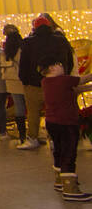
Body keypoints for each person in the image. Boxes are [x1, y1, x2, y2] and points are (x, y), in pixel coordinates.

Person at [18, 14, 74, 150]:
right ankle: (54, 139)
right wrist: (64, 75)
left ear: (35, 27)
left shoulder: (28, 42)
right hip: (57, 83)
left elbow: (23, 64)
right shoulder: (60, 40)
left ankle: (32, 138)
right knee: (55, 112)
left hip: (34, 83)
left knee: (33, 112)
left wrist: (24, 80)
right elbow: (69, 60)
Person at [41, 60, 92, 201]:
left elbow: (73, 90)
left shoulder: (46, 82)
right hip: (67, 122)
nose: (63, 67)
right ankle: (70, 188)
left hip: (52, 122)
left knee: (58, 151)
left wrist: (89, 88)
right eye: (60, 65)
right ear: (51, 68)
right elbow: (83, 79)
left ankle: (60, 181)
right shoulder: (64, 80)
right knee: (69, 153)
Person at [0, 25, 26, 146]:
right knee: (30, 107)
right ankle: (32, 134)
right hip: (22, 80)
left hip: (10, 81)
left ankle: (22, 135)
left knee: (19, 107)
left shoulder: (5, 51)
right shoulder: (22, 49)